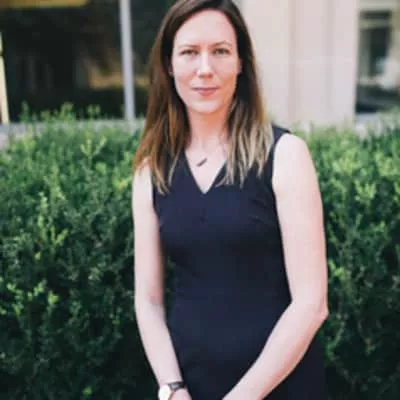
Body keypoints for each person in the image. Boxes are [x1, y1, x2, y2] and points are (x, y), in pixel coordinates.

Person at [132, 0, 329, 399]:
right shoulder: (151, 172)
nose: (205, 68)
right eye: (190, 52)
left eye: (221, 51)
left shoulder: (285, 155)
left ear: (241, 63)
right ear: (169, 64)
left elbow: (312, 304)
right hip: (192, 387)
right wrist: (172, 388)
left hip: (283, 387)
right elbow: (149, 302)